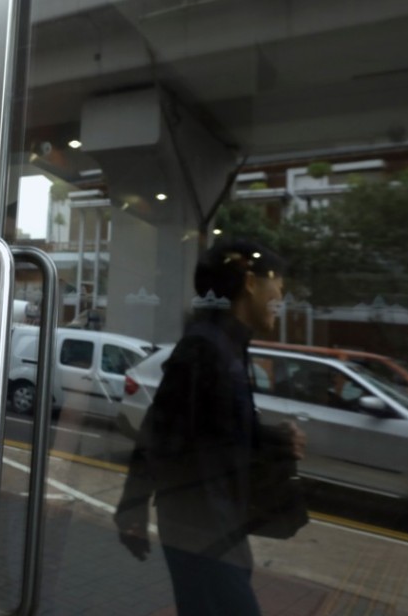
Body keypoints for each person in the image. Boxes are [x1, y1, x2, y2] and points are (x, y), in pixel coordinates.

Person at [113, 239, 306, 616]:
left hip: (218, 523)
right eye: (278, 284)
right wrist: (131, 511)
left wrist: (274, 440)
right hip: (201, 528)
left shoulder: (228, 346)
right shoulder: (205, 349)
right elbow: (160, 430)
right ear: (250, 282)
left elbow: (213, 433)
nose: (281, 294)